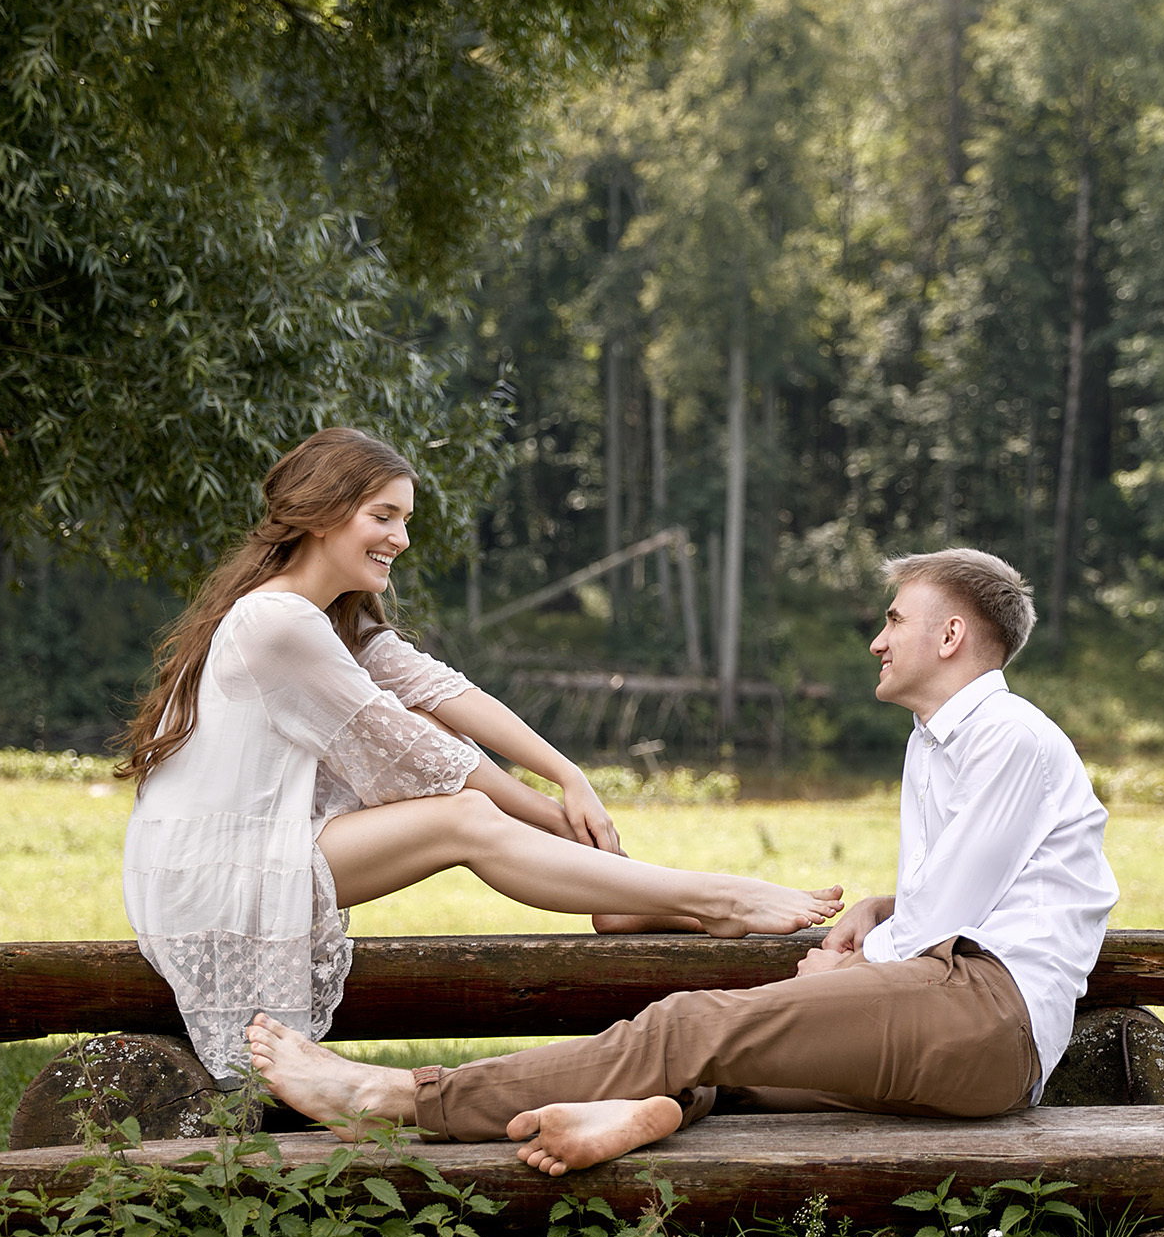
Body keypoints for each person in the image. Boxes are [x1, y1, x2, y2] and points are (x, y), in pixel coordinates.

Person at [245, 547, 1119, 1173]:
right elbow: (969, 890)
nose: (877, 640)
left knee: (690, 1024)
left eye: (895, 620)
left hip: (981, 1018)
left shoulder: (1008, 734)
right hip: (962, 1012)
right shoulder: (938, 742)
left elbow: (953, 919)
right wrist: (881, 911)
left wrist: (838, 971)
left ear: (952, 634)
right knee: (726, 1070)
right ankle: (642, 1111)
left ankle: (401, 1100)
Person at [115, 428, 841, 1082]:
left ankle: (657, 895)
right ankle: (713, 896)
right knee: (462, 814)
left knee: (461, 785)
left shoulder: (336, 617)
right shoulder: (277, 624)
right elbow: (412, 752)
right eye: (384, 516)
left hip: (257, 848)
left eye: (405, 520)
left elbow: (441, 690)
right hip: (215, 872)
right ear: (320, 514)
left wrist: (569, 774)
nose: (400, 537)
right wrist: (557, 821)